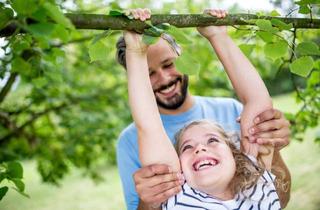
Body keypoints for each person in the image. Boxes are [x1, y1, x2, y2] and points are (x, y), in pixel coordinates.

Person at [116, 8, 291, 210]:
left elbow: (258, 101)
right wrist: (136, 52)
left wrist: (218, 36)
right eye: (187, 147)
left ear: (237, 156)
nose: (199, 148)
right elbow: (149, 127)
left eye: (213, 140)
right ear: (180, 169)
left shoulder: (257, 186)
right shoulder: (179, 195)